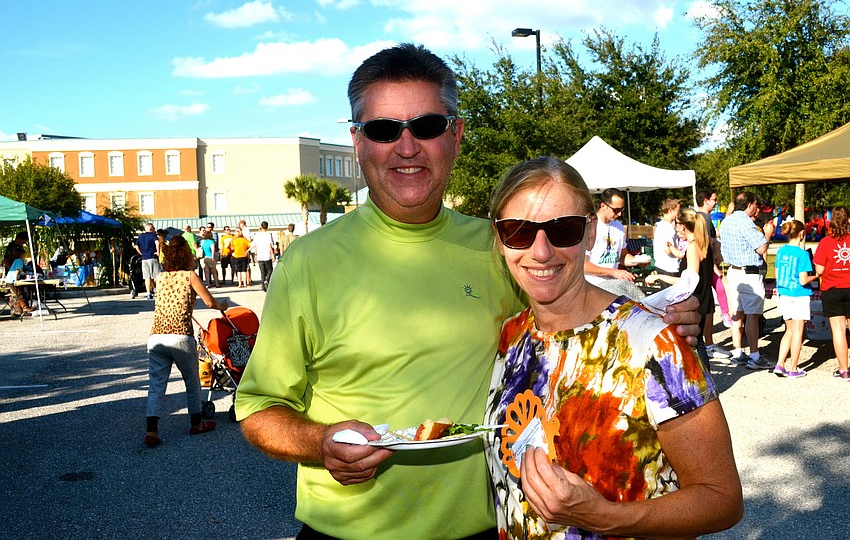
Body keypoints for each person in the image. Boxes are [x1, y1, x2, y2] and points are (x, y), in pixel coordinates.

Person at [234, 43, 702, 540]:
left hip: (483, 531)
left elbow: (574, 320)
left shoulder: (502, 245)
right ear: (357, 142)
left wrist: (654, 319)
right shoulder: (307, 264)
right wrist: (320, 442)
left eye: (428, 126)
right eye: (384, 129)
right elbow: (260, 408)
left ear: (455, 135)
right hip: (344, 534)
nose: (407, 145)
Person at [483, 156, 742, 539]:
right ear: (500, 238)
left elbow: (722, 500)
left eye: (563, 229)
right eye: (519, 231)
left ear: (590, 232)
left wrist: (604, 516)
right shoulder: (511, 336)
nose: (540, 251)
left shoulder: (656, 344)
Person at [143, 234, 228, 447]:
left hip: (156, 337)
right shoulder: (190, 275)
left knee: (156, 385)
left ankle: (151, 431)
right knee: (192, 381)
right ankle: (196, 423)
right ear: (186, 256)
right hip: (181, 336)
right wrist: (223, 306)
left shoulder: (160, 278)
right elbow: (209, 302)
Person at [646, 207, 715, 367]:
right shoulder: (704, 244)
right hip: (705, 297)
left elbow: (688, 281)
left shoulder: (693, 246)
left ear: (683, 226)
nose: (676, 229)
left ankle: (704, 380)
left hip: (695, 300)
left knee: (696, 343)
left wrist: (660, 276)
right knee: (698, 342)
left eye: (677, 225)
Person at [720, 191, 775, 369]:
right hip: (749, 274)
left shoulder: (727, 220)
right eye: (756, 205)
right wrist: (767, 234)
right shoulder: (745, 222)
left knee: (737, 314)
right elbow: (761, 248)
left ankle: (737, 351)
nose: (757, 208)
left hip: (734, 271)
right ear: (750, 204)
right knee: (752, 316)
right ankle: (755, 356)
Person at [774, 218, 818, 378]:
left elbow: (778, 274)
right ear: (801, 234)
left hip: (784, 293)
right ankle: (793, 367)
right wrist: (816, 276)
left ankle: (780, 363)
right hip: (799, 294)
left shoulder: (781, 251)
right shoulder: (803, 254)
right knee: (798, 332)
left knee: (789, 331)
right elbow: (803, 280)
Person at [584, 188, 646, 299]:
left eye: (622, 209)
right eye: (616, 210)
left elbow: (622, 256)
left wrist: (637, 261)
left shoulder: (618, 226)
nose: (620, 214)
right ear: (603, 206)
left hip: (614, 287)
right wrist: (612, 272)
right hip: (593, 287)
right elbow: (583, 266)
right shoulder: (589, 226)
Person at [813, 206, 850, 381]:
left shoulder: (826, 242)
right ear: (848, 220)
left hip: (832, 288)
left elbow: (819, 270)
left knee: (838, 330)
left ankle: (844, 370)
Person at [696, 189, 733, 358]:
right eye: (714, 199)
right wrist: (713, 267)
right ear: (705, 200)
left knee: (708, 305)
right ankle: (708, 344)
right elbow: (706, 244)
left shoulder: (705, 218)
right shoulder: (703, 219)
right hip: (707, 266)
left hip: (708, 265)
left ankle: (708, 343)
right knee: (707, 307)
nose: (716, 202)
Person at [651, 198, 683, 286]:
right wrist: (680, 254)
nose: (679, 213)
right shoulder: (668, 228)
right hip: (669, 267)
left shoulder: (660, 225)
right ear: (671, 210)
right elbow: (668, 250)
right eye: (678, 210)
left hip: (661, 265)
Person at [133, 223, 162, 300]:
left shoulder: (141, 236)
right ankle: (158, 291)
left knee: (147, 277)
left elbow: (136, 246)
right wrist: (158, 252)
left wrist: (141, 253)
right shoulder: (153, 235)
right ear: (151, 229)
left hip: (144, 259)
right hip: (152, 257)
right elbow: (157, 243)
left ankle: (148, 293)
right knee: (156, 276)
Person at [4, 245, 33, 314]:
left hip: (10, 279)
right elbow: (17, 270)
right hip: (12, 280)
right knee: (19, 294)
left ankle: (24, 308)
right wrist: (16, 279)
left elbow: (25, 268)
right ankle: (25, 308)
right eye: (24, 255)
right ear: (21, 255)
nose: (25, 256)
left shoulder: (17, 261)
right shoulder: (19, 261)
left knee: (21, 293)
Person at [251, 221, 275, 292]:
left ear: (261, 226)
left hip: (260, 255)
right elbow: (270, 245)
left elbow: (255, 245)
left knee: (262, 271)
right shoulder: (268, 235)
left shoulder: (257, 235)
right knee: (270, 269)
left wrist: (255, 254)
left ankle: (263, 286)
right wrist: (272, 254)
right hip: (266, 255)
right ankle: (267, 280)